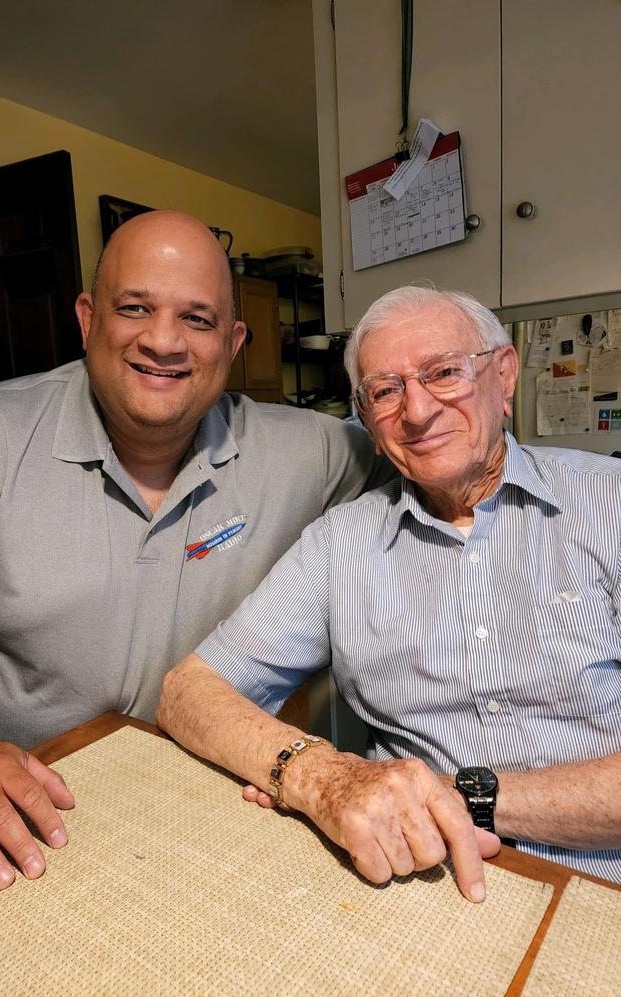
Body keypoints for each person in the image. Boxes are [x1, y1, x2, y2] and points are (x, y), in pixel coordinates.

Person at [0, 211, 393, 891]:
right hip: (23, 825)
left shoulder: (316, 452)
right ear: (87, 319)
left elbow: (435, 474)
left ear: (234, 343)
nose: (164, 341)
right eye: (135, 308)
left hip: (220, 806)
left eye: (198, 319)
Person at [157, 284, 621, 904]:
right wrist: (323, 777)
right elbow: (186, 693)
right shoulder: (339, 545)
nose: (418, 411)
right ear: (368, 422)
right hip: (407, 877)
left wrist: (459, 799)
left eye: (444, 373)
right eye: (385, 391)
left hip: (598, 888)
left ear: (504, 375)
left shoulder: (610, 503)